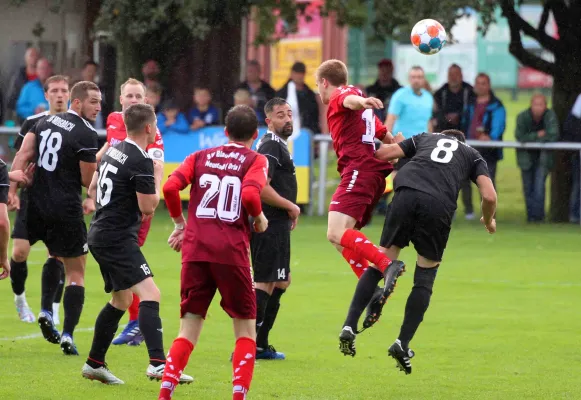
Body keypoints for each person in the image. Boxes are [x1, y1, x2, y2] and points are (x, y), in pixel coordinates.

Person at [339, 129, 496, 369]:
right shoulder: (473, 155)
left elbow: (383, 154)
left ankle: (349, 325)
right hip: (438, 205)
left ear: (442, 136)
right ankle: (402, 342)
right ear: (461, 142)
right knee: (425, 276)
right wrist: (488, 220)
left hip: (405, 194)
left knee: (379, 263)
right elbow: (490, 196)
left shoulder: (426, 138)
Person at [158, 105, 269, 400]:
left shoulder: (200, 156)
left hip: (195, 250)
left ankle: (165, 392)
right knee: (245, 330)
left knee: (188, 326)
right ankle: (238, 396)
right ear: (256, 135)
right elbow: (248, 194)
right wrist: (258, 219)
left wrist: (180, 224)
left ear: (225, 132)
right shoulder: (256, 159)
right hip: (231, 252)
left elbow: (170, 188)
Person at [81, 104, 193, 385]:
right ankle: (158, 364)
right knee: (151, 293)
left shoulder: (113, 150)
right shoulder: (141, 159)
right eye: (155, 125)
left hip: (99, 232)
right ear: (148, 128)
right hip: (116, 237)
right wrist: (157, 175)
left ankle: (94, 363)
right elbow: (147, 207)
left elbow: (93, 189)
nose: (156, 129)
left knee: (121, 299)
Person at [314, 59, 405, 340]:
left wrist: (360, 102)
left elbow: (349, 100)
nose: (319, 91)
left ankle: (387, 265)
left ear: (325, 83)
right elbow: (383, 133)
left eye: (319, 85)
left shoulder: (342, 96)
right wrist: (395, 143)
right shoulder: (360, 107)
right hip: (370, 174)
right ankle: (373, 289)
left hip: (359, 170)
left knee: (335, 231)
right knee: (339, 236)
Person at [8, 81, 101, 355]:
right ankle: (68, 335)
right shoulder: (86, 133)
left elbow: (23, 156)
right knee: (76, 272)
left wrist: (13, 190)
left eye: (99, 101)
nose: (98, 107)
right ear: (77, 102)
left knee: (52, 256)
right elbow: (87, 179)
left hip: (35, 201)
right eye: (93, 101)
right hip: (65, 207)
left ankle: (46, 310)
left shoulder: (45, 122)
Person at [96, 78, 165, 346]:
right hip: (112, 207)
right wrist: (98, 158)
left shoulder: (151, 132)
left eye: (139, 96)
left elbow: (155, 163)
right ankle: (133, 326)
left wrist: (156, 177)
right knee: (128, 275)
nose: (134, 100)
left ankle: (136, 323)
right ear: (121, 100)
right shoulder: (115, 121)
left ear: (145, 101)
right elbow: (111, 148)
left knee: (132, 271)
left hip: (133, 206)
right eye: (130, 96)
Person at [10, 75, 70, 325]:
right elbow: (21, 158)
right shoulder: (33, 122)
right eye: (54, 90)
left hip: (62, 200)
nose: (59, 94)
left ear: (69, 95)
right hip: (33, 198)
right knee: (20, 252)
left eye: (63, 90)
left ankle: (54, 308)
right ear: (46, 95)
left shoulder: (77, 125)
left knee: (58, 256)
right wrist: (13, 188)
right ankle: (20, 299)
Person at [251, 98, 300, 360]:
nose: (288, 119)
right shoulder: (270, 144)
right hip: (267, 222)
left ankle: (260, 343)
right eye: (281, 115)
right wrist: (290, 206)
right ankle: (251, 345)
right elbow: (261, 186)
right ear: (269, 121)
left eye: (289, 114)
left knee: (281, 280)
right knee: (266, 281)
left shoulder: (278, 145)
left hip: (276, 222)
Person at [461, 73, 506, 220]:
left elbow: (499, 126)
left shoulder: (496, 105)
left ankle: (489, 215)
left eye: (483, 83)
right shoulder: (470, 104)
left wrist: (491, 137)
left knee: (487, 183)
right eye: (478, 83)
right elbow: (465, 123)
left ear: (489, 85)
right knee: (463, 181)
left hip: (488, 151)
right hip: (468, 148)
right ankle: (469, 212)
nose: (480, 86)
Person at [515, 93, 559, 222]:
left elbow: (553, 135)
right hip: (526, 158)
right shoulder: (522, 117)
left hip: (543, 158)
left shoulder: (550, 116)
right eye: (535, 104)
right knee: (528, 187)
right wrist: (538, 135)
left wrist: (531, 137)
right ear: (531, 105)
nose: (538, 107)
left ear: (545, 106)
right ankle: (531, 217)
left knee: (539, 187)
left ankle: (539, 217)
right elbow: (520, 136)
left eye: (541, 104)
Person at [385, 66, 434, 174]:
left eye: (419, 77)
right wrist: (386, 145)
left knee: (417, 179)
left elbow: (428, 122)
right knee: (395, 179)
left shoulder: (428, 97)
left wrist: (431, 143)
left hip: (421, 146)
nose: (416, 80)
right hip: (403, 145)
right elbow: (390, 121)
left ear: (424, 79)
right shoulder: (400, 95)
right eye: (413, 77)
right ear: (409, 79)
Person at [433, 64, 473, 131]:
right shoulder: (440, 93)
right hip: (444, 131)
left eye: (456, 74)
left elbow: (473, 111)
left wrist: (459, 116)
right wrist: (445, 117)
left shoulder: (470, 91)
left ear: (461, 76)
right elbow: (436, 112)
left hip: (465, 131)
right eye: (451, 74)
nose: (453, 77)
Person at [6, 47, 40, 123]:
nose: (34, 58)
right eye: (31, 55)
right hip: (22, 119)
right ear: (26, 58)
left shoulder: (45, 77)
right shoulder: (18, 77)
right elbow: (12, 99)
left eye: (36, 55)